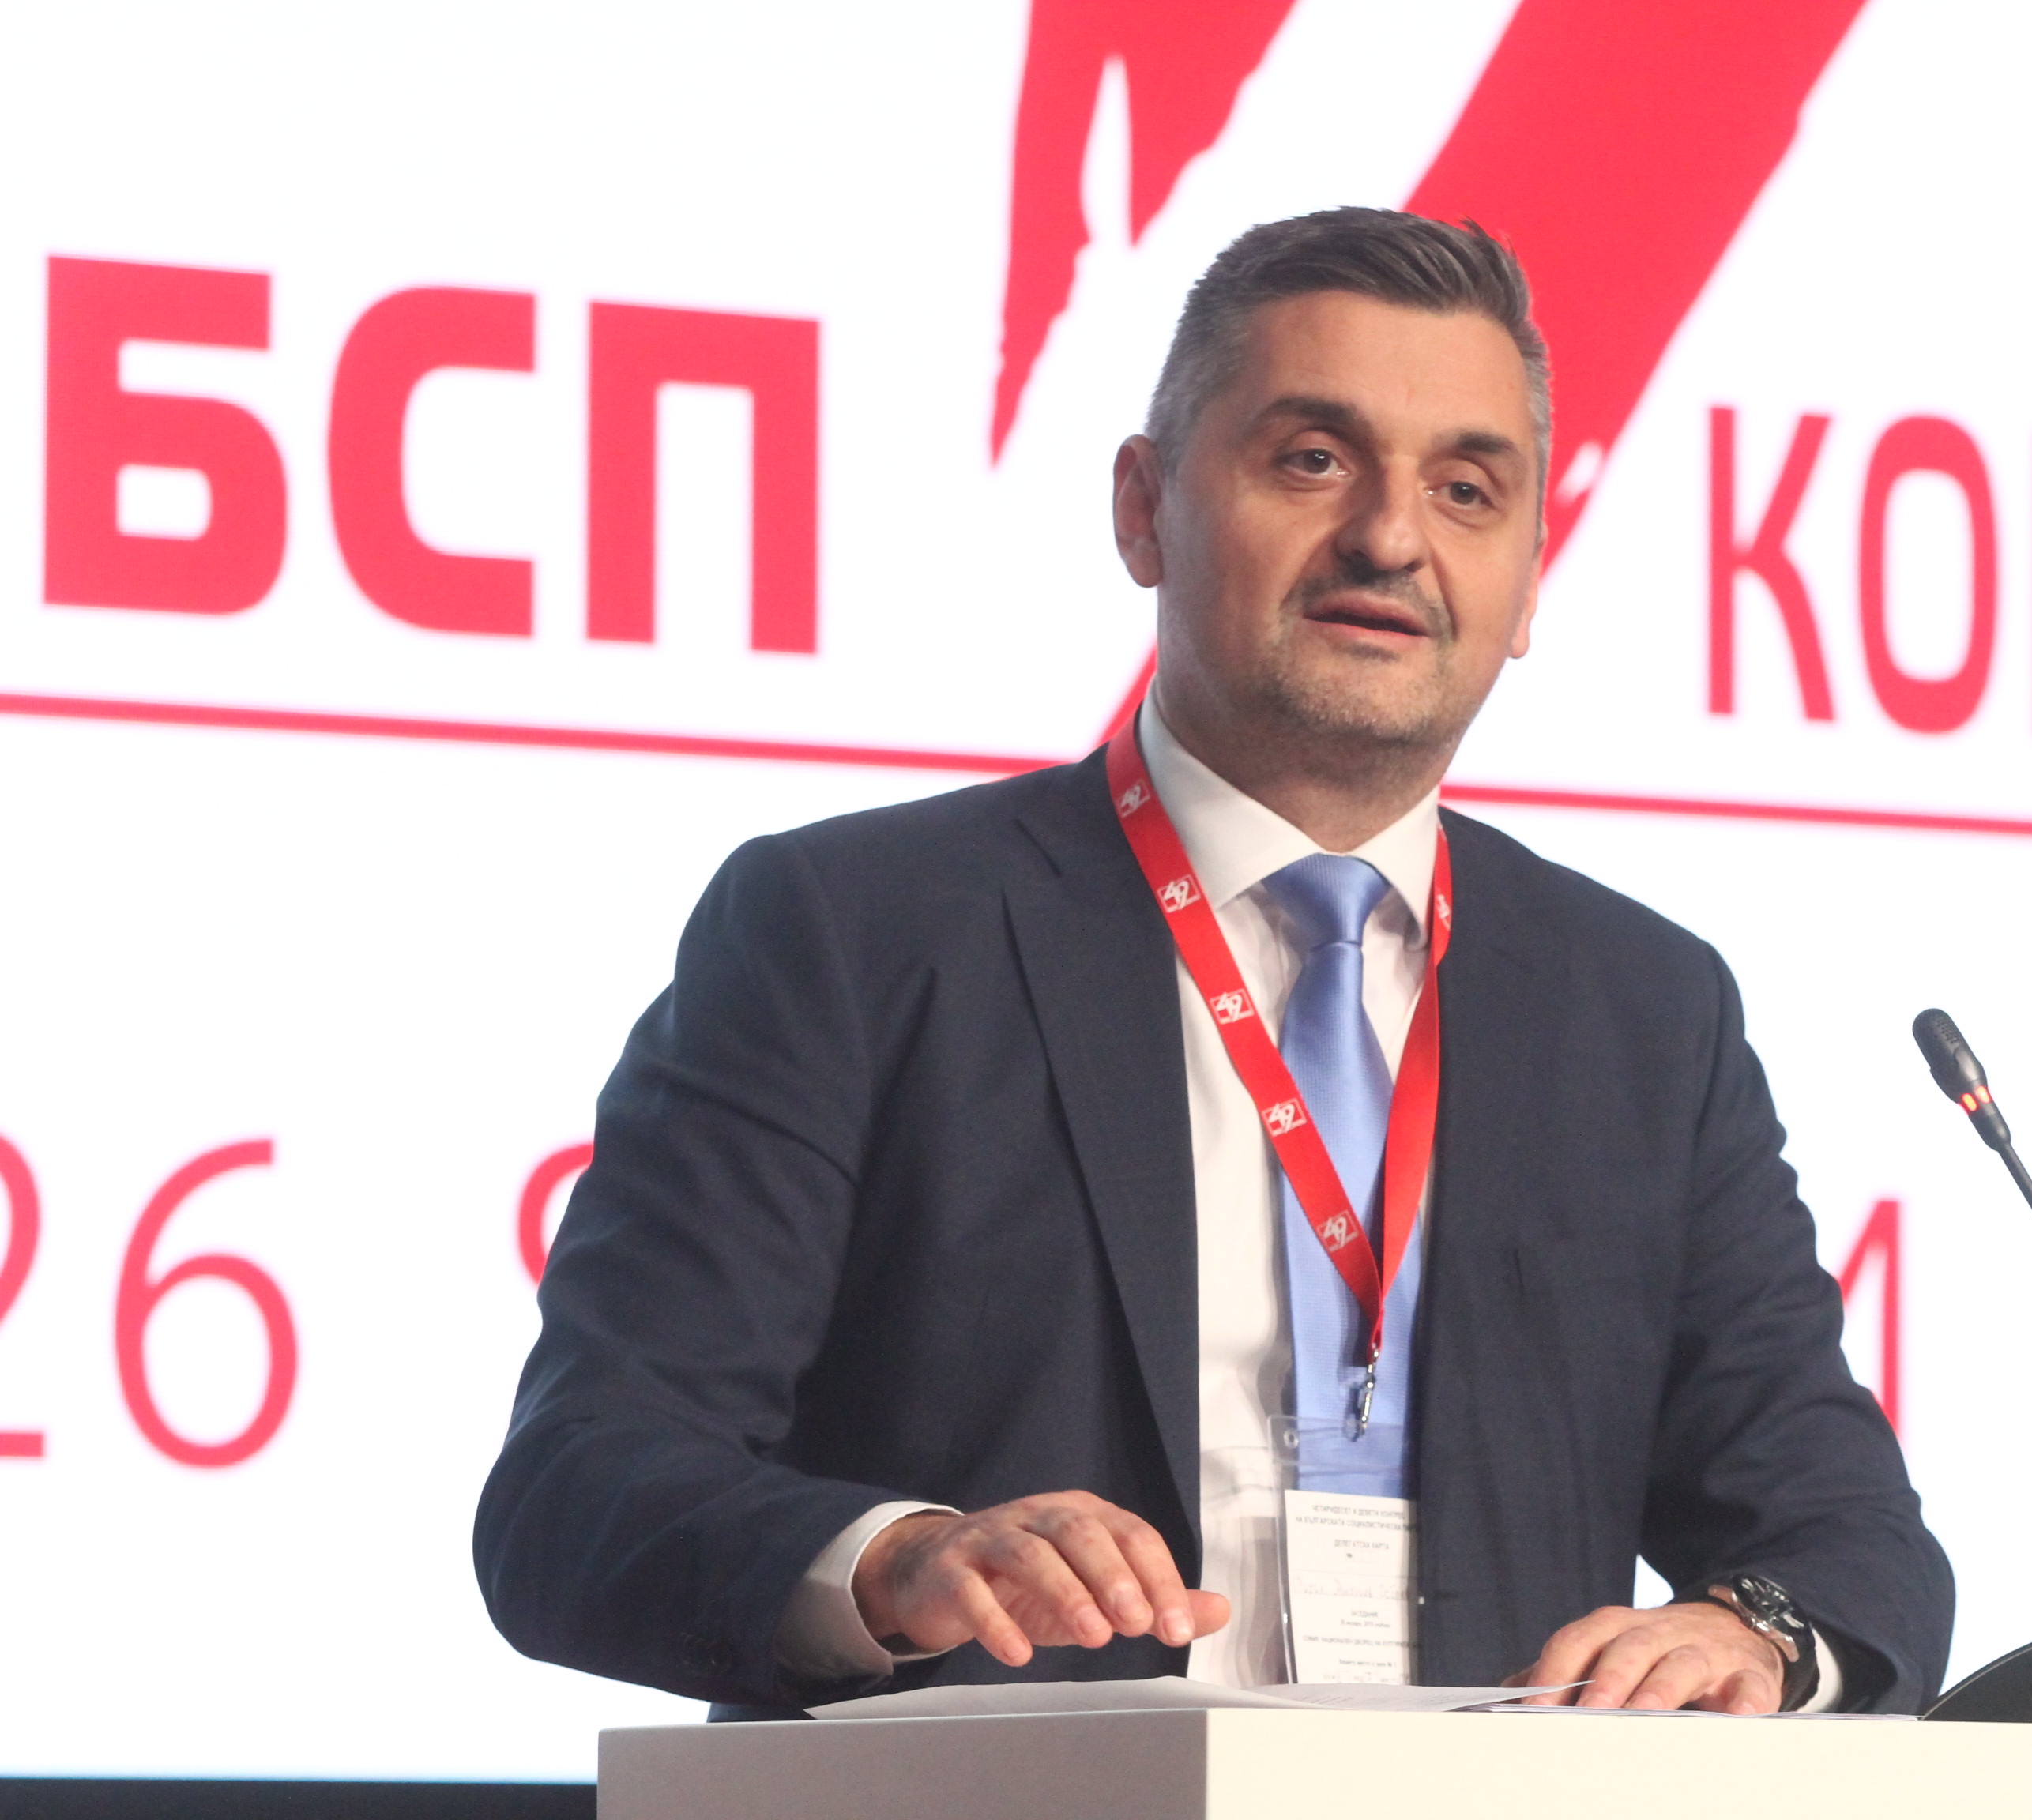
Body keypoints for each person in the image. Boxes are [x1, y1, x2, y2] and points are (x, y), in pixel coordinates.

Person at [476, 207, 1951, 1719]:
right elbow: (578, 1491)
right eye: (1312, 460)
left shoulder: (1640, 1008)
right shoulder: (856, 931)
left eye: (1465, 490)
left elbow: (1850, 1543)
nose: (1392, 538)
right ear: (1143, 509)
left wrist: (1754, 1637)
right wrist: (897, 1563)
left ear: (1527, 585)